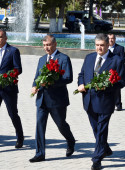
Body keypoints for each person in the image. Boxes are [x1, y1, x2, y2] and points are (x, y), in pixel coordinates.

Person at [77, 33, 125, 170]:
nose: (99, 48)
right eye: (97, 45)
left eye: (102, 45)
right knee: (96, 129)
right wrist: (80, 84)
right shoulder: (89, 58)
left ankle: (97, 159)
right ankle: (105, 148)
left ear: (107, 45)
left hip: (106, 101)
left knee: (101, 130)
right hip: (89, 100)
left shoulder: (116, 60)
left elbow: (122, 81)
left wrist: (108, 86)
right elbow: (82, 75)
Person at [29, 35, 75, 163]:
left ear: (55, 44)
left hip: (57, 100)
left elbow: (68, 78)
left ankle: (70, 140)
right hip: (42, 99)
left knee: (61, 124)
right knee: (39, 125)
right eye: (44, 45)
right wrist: (34, 86)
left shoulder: (63, 58)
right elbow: (37, 76)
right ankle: (40, 153)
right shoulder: (42, 59)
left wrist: (51, 83)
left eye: (48, 45)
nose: (46, 48)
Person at [108, 33, 125, 111]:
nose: (111, 40)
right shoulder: (105, 48)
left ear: (115, 39)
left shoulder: (120, 48)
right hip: (107, 72)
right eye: (109, 38)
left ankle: (118, 104)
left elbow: (123, 59)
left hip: (117, 72)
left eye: (112, 38)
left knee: (116, 89)